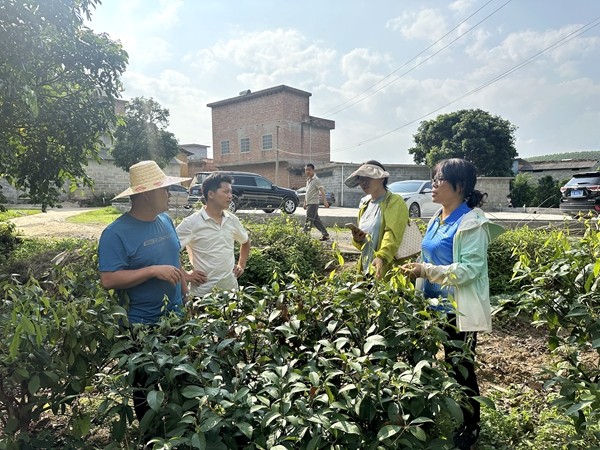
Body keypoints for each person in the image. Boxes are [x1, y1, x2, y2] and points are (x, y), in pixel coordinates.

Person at [401, 158, 504, 449]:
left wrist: (426, 270)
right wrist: (417, 270)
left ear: (459, 186)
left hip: (456, 312)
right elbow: (430, 257)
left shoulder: (471, 222)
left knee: (462, 369)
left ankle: (470, 427)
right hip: (430, 308)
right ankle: (432, 411)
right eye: (433, 179)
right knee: (428, 363)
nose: (433, 185)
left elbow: (470, 270)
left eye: (439, 180)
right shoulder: (437, 218)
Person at [97, 160, 191, 423]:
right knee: (146, 391)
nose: (169, 194)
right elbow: (108, 278)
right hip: (141, 328)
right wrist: (151, 271)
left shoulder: (165, 221)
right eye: (165, 190)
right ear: (148, 194)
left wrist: (185, 294)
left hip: (176, 320)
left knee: (181, 383)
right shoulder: (115, 233)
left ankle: (178, 435)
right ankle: (150, 438)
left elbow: (175, 260)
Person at [176, 172, 250, 297]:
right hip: (202, 296)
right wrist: (185, 275)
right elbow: (170, 250)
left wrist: (241, 265)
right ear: (211, 194)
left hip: (231, 293)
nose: (230, 196)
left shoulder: (232, 220)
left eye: (230, 192)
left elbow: (246, 242)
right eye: (226, 192)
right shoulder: (192, 223)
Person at [344, 160, 408, 280]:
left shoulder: (394, 201)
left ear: (381, 178)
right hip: (366, 268)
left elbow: (392, 233)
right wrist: (358, 240)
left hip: (386, 269)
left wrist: (382, 257)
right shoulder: (365, 204)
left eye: (368, 178)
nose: (364, 182)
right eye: (361, 179)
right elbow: (366, 244)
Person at [303, 163, 330, 241]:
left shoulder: (316, 180)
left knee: (308, 220)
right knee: (315, 221)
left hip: (313, 203)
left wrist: (325, 201)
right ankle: (326, 235)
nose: (307, 171)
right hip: (309, 203)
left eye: (309, 170)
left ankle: (305, 237)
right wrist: (305, 202)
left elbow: (322, 191)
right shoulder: (308, 180)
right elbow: (307, 192)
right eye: (306, 170)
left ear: (313, 170)